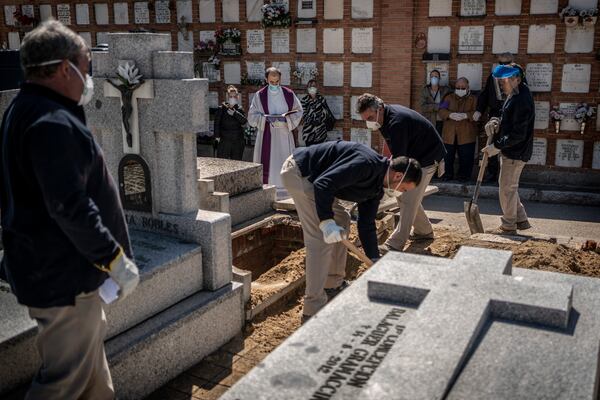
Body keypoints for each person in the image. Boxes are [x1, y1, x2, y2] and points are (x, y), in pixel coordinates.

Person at [0, 21, 139, 399]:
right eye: (86, 64)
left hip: (54, 271)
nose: (88, 75)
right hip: (64, 277)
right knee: (62, 384)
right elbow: (69, 205)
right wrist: (113, 258)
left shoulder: (26, 109)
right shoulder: (52, 122)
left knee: (94, 382)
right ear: (65, 68)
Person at [280, 140, 422, 321]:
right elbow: (323, 184)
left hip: (318, 182)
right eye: (403, 188)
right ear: (398, 176)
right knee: (320, 239)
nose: (400, 192)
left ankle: (333, 283)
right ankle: (313, 308)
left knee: (342, 220)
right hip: (301, 173)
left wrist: (373, 257)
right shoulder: (365, 164)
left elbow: (366, 223)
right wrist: (325, 221)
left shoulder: (378, 187)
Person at [357, 93, 446, 253]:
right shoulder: (383, 119)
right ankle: (424, 231)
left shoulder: (397, 122)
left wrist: (386, 182)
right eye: (366, 119)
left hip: (428, 158)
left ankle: (395, 244)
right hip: (416, 155)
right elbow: (390, 149)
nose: (369, 122)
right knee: (408, 196)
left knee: (406, 197)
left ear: (379, 109)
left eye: (370, 117)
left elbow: (400, 161)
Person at [481, 64, 534, 235]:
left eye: (504, 81)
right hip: (512, 151)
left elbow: (518, 133)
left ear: (516, 79)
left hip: (515, 152)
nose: (502, 85)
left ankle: (509, 225)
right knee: (510, 187)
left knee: (506, 188)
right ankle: (521, 219)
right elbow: (507, 118)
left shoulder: (522, 99)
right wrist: (496, 120)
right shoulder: (515, 95)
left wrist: (496, 146)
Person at [248, 66, 303, 199]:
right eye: (271, 82)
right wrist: (265, 119)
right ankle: (268, 189)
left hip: (284, 134)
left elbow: (298, 111)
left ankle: (287, 190)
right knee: (269, 163)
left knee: (285, 160)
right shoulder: (259, 95)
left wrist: (286, 121)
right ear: (266, 79)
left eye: (277, 82)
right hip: (267, 133)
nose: (274, 84)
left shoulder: (288, 94)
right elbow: (252, 115)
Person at [475, 52, 514, 183]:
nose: (503, 66)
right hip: (495, 112)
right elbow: (485, 94)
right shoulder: (493, 76)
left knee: (507, 144)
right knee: (491, 143)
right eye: (501, 63)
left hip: (510, 115)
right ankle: (492, 174)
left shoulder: (517, 77)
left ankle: (506, 177)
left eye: (506, 63)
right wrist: (479, 110)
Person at [438, 77, 478, 182]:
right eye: (458, 87)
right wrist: (449, 114)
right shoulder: (448, 98)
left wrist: (467, 115)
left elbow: (478, 114)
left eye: (463, 87)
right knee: (448, 156)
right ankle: (447, 175)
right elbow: (441, 110)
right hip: (449, 134)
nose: (460, 89)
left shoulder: (473, 99)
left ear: (468, 87)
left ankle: (464, 177)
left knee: (466, 157)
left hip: (467, 134)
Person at [214, 85, 247, 160]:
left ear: (237, 97)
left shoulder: (239, 109)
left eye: (234, 96)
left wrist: (235, 114)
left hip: (237, 141)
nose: (232, 98)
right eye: (230, 96)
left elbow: (244, 121)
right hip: (224, 140)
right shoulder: (221, 108)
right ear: (227, 97)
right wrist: (217, 137)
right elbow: (217, 123)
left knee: (236, 162)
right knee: (222, 162)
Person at [300, 79, 334, 146]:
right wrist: (313, 120)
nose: (312, 88)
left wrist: (319, 119)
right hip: (309, 133)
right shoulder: (304, 100)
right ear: (307, 88)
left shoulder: (322, 99)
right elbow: (304, 114)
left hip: (321, 132)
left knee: (320, 153)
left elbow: (326, 112)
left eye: (314, 86)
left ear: (317, 88)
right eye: (310, 86)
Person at [420, 69, 450, 135]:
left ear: (439, 78)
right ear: (430, 78)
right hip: (429, 121)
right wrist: (438, 106)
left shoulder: (445, 90)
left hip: (442, 121)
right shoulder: (425, 91)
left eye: (436, 76)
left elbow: (454, 96)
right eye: (432, 76)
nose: (434, 78)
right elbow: (423, 107)